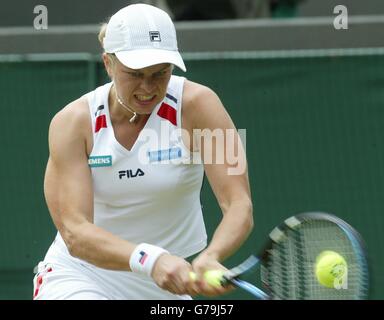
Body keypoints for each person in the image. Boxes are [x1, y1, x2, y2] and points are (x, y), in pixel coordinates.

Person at [33, 3, 253, 300]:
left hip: (166, 287)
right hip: (81, 276)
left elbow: (239, 204)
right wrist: (151, 260)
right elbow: (75, 233)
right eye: (135, 74)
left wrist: (211, 255)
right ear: (108, 63)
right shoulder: (72, 122)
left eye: (160, 73)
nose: (148, 88)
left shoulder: (201, 105)